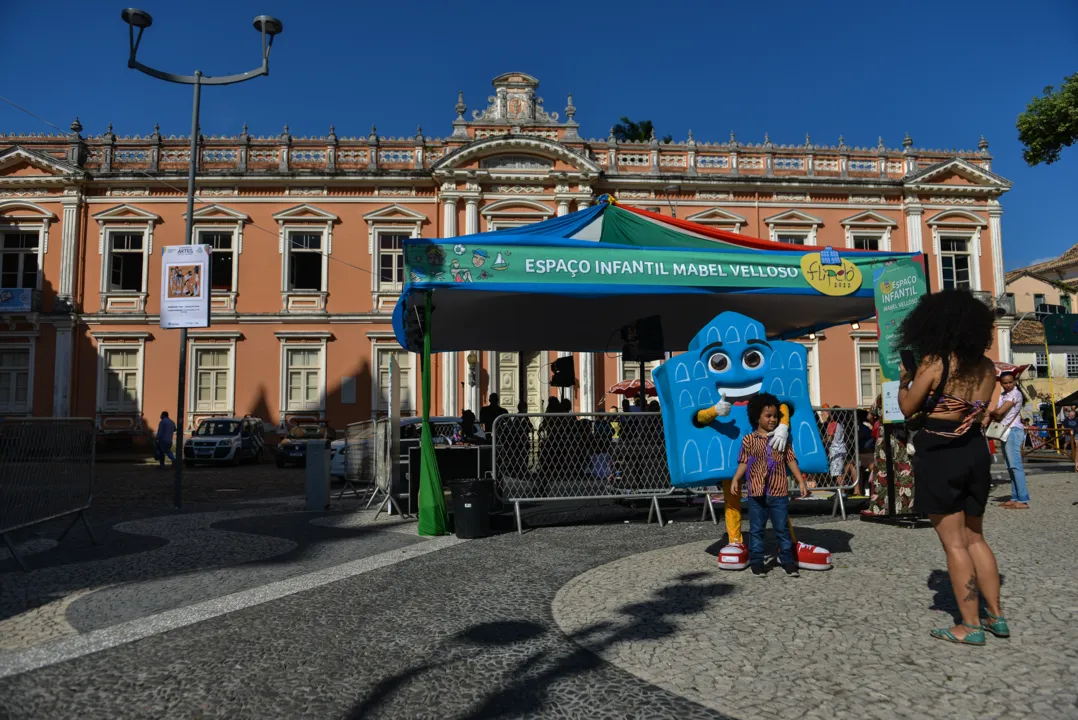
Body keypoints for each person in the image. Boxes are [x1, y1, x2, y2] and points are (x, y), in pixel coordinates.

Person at [896, 289, 1007, 645]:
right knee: (976, 537)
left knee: (954, 544)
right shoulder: (988, 367)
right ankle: (996, 615)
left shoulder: (934, 362)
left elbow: (909, 408)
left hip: (941, 450)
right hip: (975, 448)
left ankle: (969, 626)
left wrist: (903, 382)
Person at [730, 392, 811, 577]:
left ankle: (787, 561)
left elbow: (790, 460)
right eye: (768, 416)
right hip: (756, 494)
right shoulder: (749, 440)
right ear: (757, 417)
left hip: (778, 492)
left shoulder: (781, 439)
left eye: (775, 416)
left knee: (782, 529)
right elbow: (743, 461)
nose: (773, 419)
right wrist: (736, 478)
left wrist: (800, 480)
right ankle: (757, 562)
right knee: (757, 530)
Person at [988, 371, 1029, 509]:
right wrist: (994, 412)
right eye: (1005, 383)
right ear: (1001, 383)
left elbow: (998, 412)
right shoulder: (1003, 395)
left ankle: (1022, 499)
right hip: (1007, 430)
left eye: (1010, 382)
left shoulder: (1014, 394)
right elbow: (997, 411)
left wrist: (991, 413)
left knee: (1015, 465)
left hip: (1014, 430)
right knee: (1010, 466)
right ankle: (1015, 497)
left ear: (1015, 381)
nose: (1008, 385)